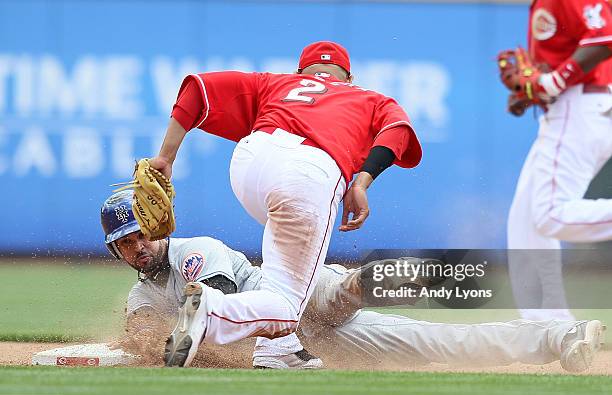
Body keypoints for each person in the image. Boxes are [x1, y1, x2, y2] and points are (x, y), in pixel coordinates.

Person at [102, 191, 605, 373]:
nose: (137, 246)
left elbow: (226, 319)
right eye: (125, 243)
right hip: (311, 341)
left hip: (295, 294)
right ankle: (558, 338)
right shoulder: (140, 294)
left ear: (158, 224)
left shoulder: (196, 251)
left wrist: (175, 350)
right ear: (116, 251)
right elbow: (149, 346)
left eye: (141, 233)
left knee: (358, 285)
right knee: (438, 343)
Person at [144, 41, 423, 367]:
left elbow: (196, 89)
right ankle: (211, 311)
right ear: (349, 77)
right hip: (308, 172)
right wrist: (362, 181)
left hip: (250, 162)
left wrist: (165, 156)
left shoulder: (276, 82)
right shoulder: (369, 97)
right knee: (286, 308)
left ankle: (279, 351)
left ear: (300, 72)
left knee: (284, 271)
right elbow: (398, 131)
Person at [505, 0, 612, 320]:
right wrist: (532, 92)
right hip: (571, 108)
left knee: (549, 215)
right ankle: (550, 326)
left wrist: (553, 82)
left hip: (578, 109)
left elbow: (604, 38)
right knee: (524, 220)